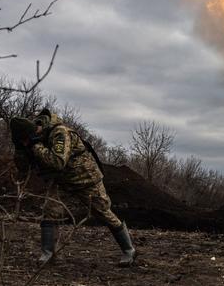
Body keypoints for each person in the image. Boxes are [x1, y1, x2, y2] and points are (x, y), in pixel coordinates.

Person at [11, 109, 136, 267]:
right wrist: (21, 150)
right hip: (61, 181)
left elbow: (57, 161)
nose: (25, 144)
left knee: (103, 213)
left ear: (32, 133)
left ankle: (129, 250)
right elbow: (23, 169)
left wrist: (35, 145)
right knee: (50, 211)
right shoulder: (32, 140)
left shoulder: (59, 133)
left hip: (85, 179)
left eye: (25, 140)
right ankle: (48, 254)